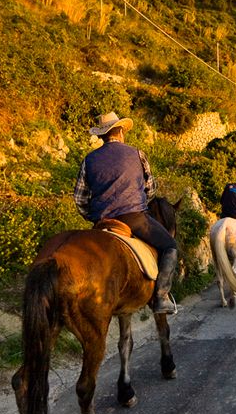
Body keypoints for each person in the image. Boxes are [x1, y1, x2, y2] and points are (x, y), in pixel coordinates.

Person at [74, 111, 179, 314]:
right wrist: (137, 202)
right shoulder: (137, 153)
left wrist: (94, 217)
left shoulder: (89, 160)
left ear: (101, 136)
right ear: (121, 131)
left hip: (102, 221)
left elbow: (80, 199)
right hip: (134, 218)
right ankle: (161, 297)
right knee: (170, 246)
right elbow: (150, 188)